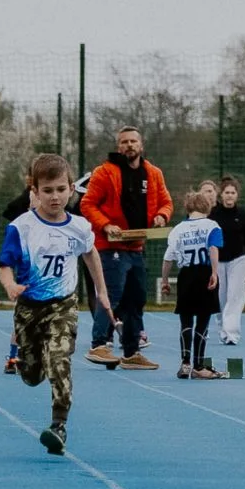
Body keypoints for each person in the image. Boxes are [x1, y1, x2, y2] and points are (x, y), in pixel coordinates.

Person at [0, 154, 115, 454]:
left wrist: (101, 292)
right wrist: (10, 285)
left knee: (60, 360)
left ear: (71, 190)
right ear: (34, 192)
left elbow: (90, 253)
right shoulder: (21, 227)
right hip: (29, 308)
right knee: (33, 374)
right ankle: (26, 360)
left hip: (63, 305)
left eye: (61, 189)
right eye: (47, 190)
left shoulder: (79, 227)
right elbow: (4, 265)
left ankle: (58, 425)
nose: (55, 197)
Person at [82, 126, 171, 370]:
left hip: (136, 247)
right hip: (110, 247)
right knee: (111, 293)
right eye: (124, 142)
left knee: (137, 298)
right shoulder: (104, 172)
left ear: (141, 145)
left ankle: (131, 352)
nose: (129, 145)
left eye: (133, 141)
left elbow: (166, 202)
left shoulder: (153, 173)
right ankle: (99, 343)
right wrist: (106, 225)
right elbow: (87, 204)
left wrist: (162, 216)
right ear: (118, 146)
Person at [161, 190, 225, 379]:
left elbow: (168, 257)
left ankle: (185, 363)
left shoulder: (178, 229)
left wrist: (165, 280)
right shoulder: (212, 225)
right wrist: (214, 272)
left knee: (186, 320)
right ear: (207, 207)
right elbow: (213, 248)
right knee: (203, 320)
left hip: (186, 275)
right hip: (204, 272)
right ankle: (199, 364)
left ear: (188, 207)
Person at [210, 176, 245, 346]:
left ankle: (231, 334)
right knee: (221, 299)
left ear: (237, 195)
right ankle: (223, 328)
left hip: (238, 260)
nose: (229, 196)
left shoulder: (243, 215)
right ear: (221, 195)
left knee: (235, 298)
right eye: (226, 193)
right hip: (218, 261)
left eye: (232, 193)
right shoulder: (213, 214)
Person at [1, 168, 35, 372]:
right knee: (21, 320)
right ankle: (13, 357)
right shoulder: (21, 224)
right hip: (27, 279)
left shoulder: (59, 221)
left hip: (51, 282)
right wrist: (11, 284)